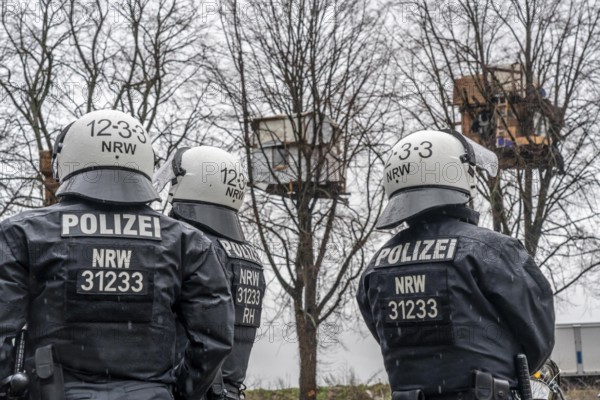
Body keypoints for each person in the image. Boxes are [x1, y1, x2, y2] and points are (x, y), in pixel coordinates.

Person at [0, 110, 234, 400]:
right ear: (144, 161)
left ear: (69, 159)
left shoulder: (23, 233)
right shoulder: (188, 242)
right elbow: (213, 339)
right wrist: (179, 391)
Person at [356, 129, 555, 400]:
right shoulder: (494, 250)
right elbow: (538, 340)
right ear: (459, 177)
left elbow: (390, 338)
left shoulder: (375, 268)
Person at [154, 146, 266, 400]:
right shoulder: (248, 256)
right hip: (229, 390)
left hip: (197, 390)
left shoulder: (197, 248)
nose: (170, 192)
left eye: (174, 182)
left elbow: (205, 336)